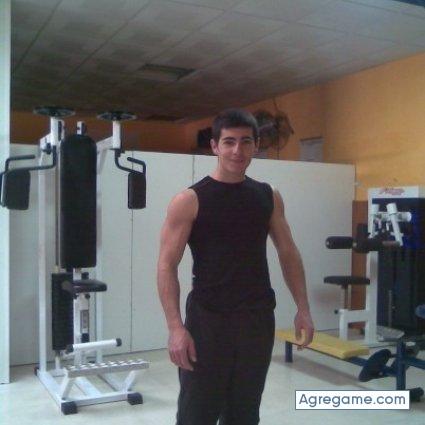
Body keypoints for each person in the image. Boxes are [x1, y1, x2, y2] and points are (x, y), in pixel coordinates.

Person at [157, 108, 314, 425]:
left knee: (244, 412)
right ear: (215, 146)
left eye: (245, 141)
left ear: (256, 145)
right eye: (229, 142)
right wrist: (176, 328)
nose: (237, 150)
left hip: (256, 320)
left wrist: (303, 308)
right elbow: (166, 265)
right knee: (196, 414)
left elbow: (288, 252)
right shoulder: (190, 200)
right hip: (208, 321)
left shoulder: (268, 196)